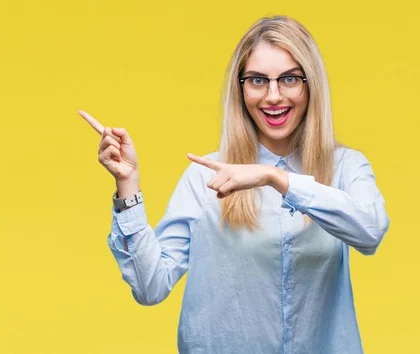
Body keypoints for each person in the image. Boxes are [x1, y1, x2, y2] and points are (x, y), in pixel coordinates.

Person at [80, 15, 390, 354]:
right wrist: (127, 185)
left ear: (310, 84)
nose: (273, 96)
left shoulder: (346, 167)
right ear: (240, 89)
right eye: (257, 80)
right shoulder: (205, 179)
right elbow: (150, 287)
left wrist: (277, 179)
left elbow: (369, 231)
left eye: (289, 79)